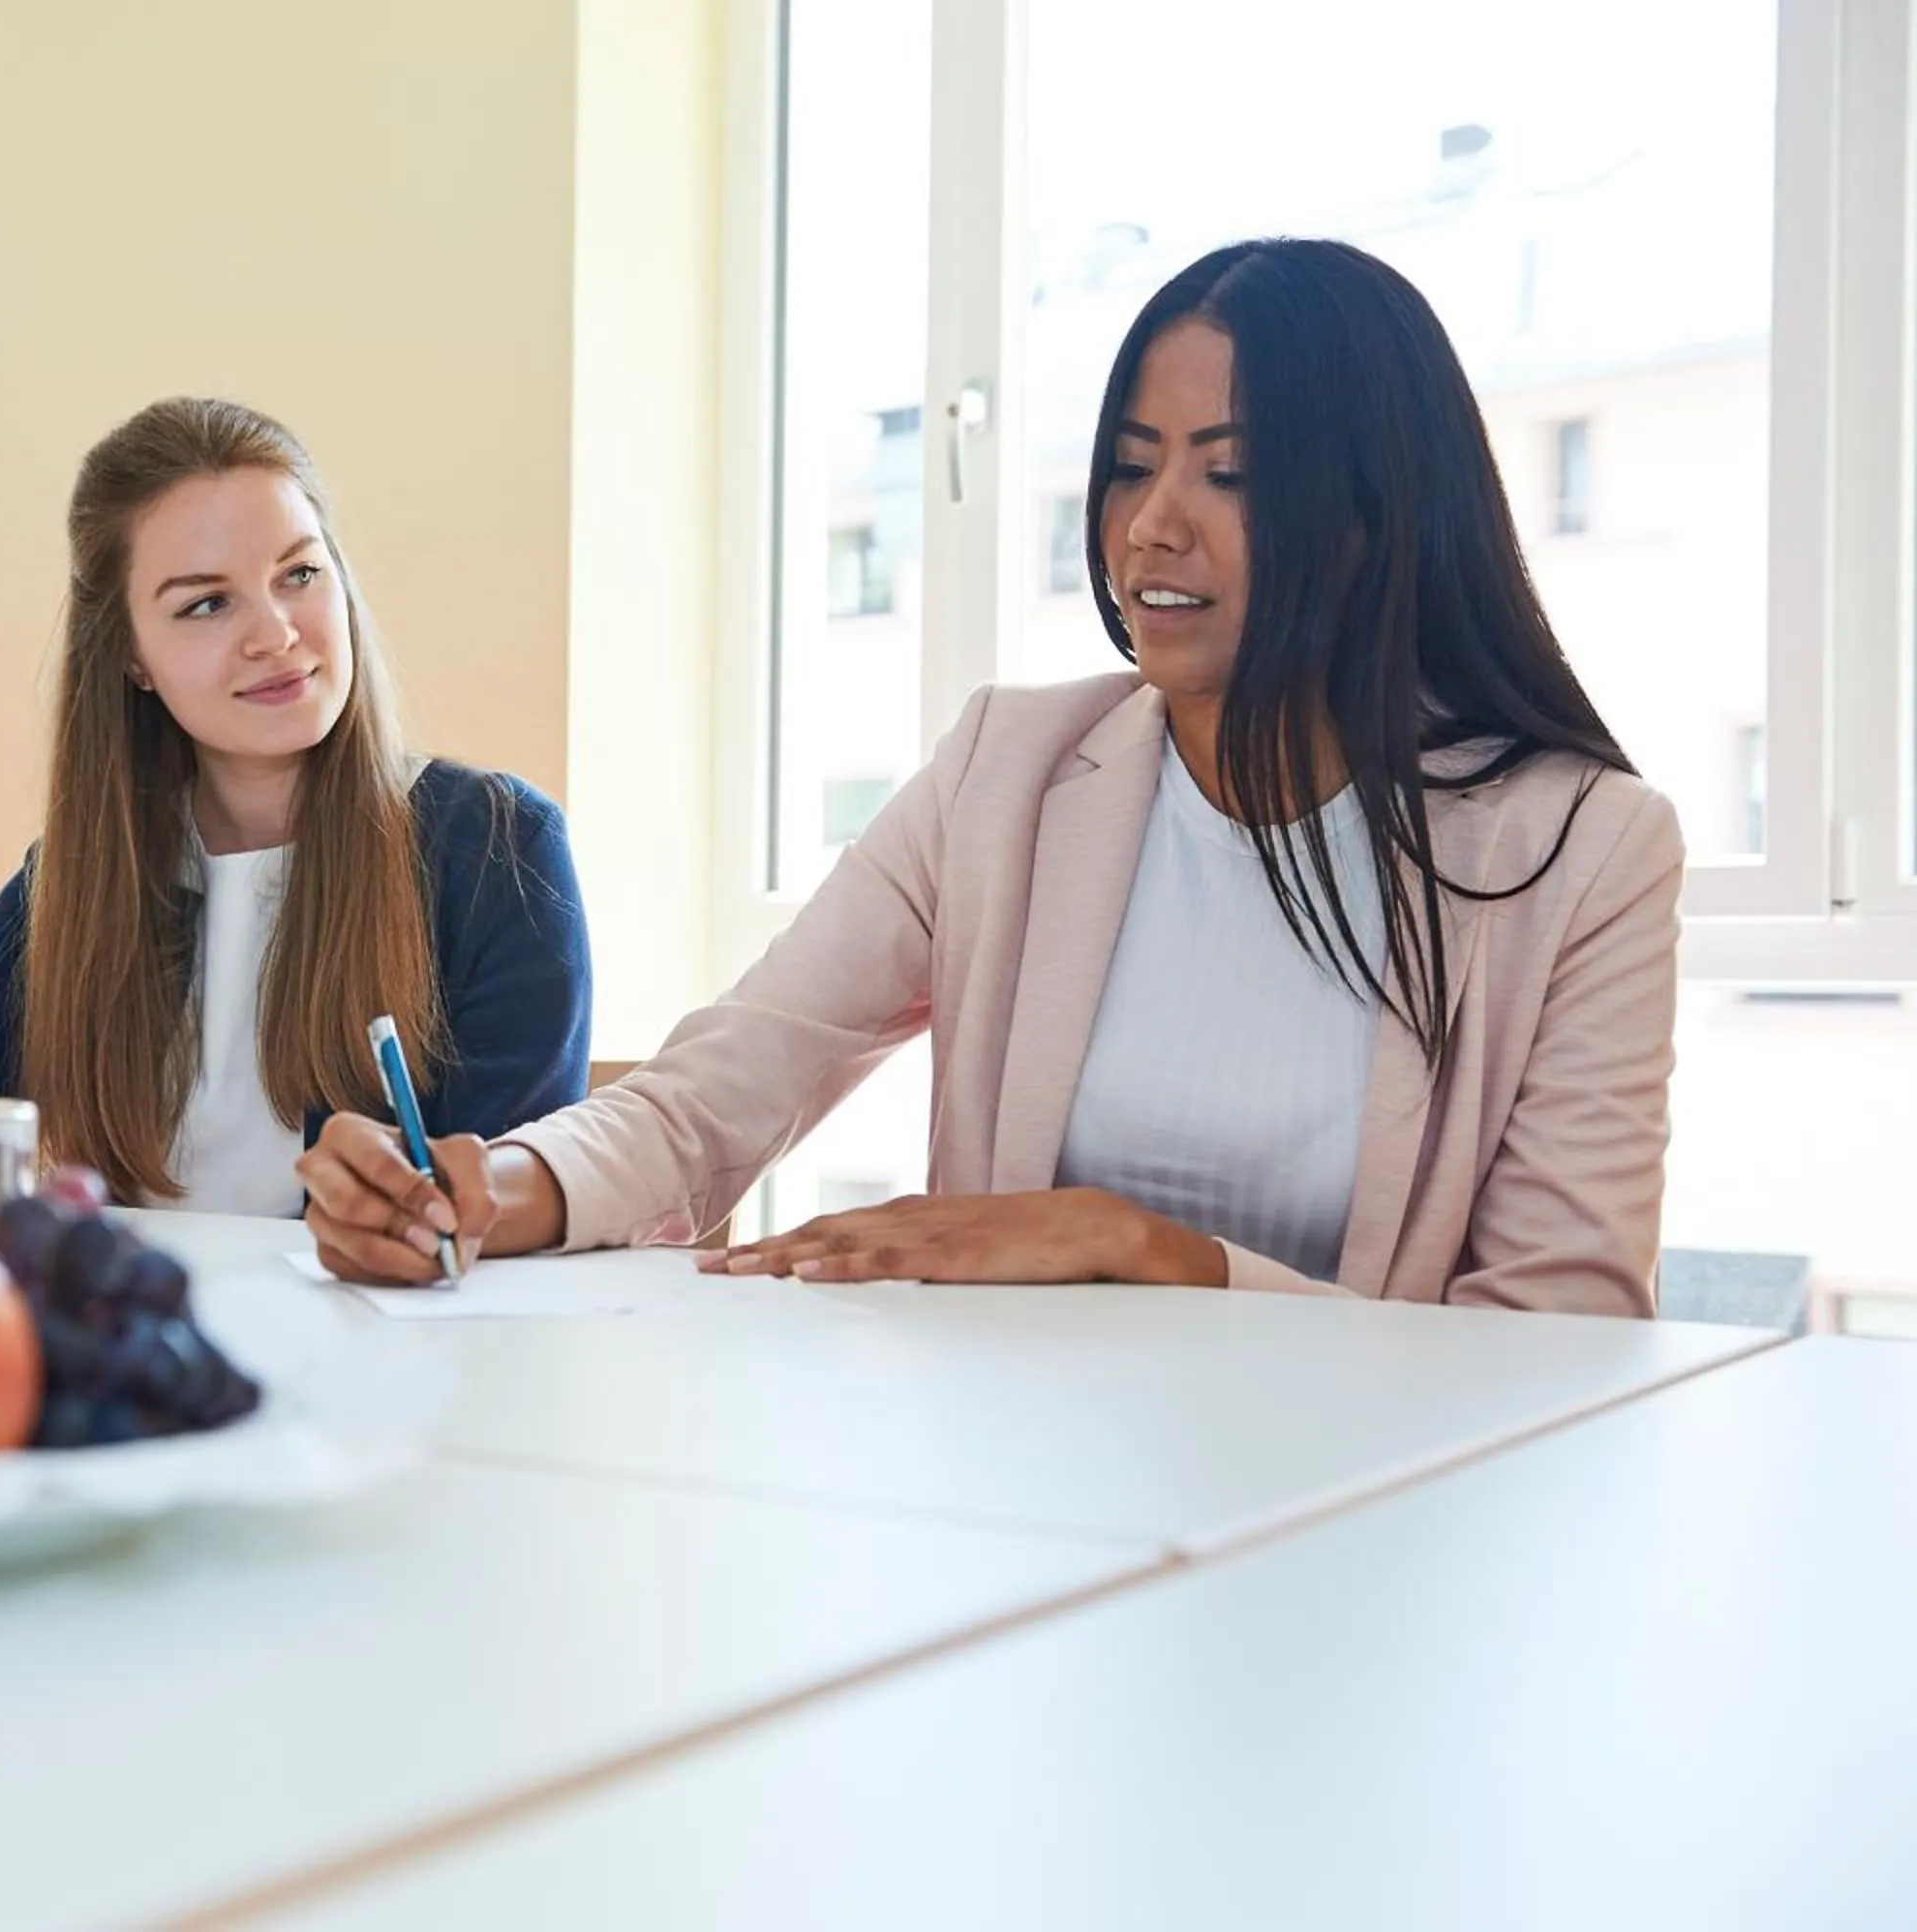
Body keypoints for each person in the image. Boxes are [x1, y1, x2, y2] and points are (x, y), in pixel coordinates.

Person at [299, 238, 1683, 1315]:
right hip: (1011, 1506)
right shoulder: (1009, 775)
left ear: (1382, 519)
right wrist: (499, 1187)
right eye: (1130, 469)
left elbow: (1556, 1333)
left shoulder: (1583, 851)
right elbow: (722, 1090)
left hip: (1375, 1546)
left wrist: (1142, 1253)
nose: (1152, 526)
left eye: (1230, 476)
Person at [0, 396, 592, 1214]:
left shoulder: (497, 846)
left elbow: (494, 1209)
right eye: (206, 604)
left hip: (393, 1335)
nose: (277, 633)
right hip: (135, 1332)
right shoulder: (88, 873)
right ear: (132, 657)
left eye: (300, 574)